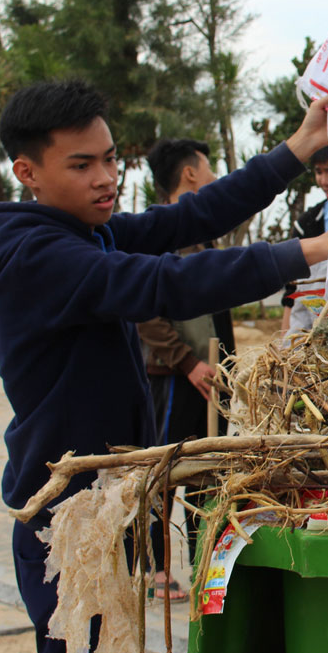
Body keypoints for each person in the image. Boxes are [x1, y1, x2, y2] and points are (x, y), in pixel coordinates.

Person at [0, 79, 328, 653]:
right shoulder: (36, 255)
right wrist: (314, 250)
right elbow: (165, 281)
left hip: (105, 505)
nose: (105, 177)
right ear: (27, 171)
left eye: (110, 158)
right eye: (82, 164)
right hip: (68, 523)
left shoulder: (86, 233)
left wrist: (297, 147)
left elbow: (189, 219)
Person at [137, 138, 235, 598]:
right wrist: (188, 362)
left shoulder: (201, 237)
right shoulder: (157, 238)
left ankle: (202, 564)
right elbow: (145, 316)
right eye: (209, 167)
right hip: (176, 377)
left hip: (212, 376)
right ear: (190, 174)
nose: (214, 175)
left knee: (206, 472)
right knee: (165, 472)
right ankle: (156, 569)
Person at [281, 146, 328, 334]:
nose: (324, 181)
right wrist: (285, 343)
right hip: (315, 320)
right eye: (319, 172)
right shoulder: (307, 224)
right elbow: (293, 289)